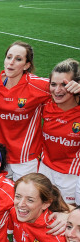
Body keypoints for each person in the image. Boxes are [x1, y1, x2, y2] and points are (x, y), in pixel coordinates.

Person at [0, 41, 50, 180]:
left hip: (25, 158)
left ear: (26, 65)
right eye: (9, 57)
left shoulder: (38, 85)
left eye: (18, 59)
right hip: (0, 155)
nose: (11, 62)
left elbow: (61, 87)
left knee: (24, 198)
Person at [39, 59, 80, 205]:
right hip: (45, 169)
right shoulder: (46, 104)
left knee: (67, 218)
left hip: (70, 176)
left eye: (64, 84)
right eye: (53, 84)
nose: (57, 90)